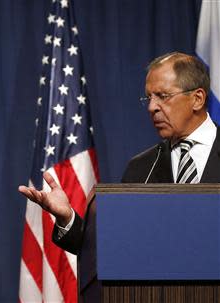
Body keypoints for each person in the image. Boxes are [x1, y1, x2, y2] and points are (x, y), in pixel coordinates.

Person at [19, 52, 220, 302]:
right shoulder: (142, 167)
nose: (151, 107)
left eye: (162, 96)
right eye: (148, 97)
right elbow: (109, 248)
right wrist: (67, 218)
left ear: (197, 98)